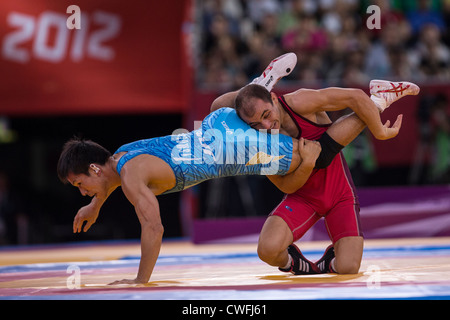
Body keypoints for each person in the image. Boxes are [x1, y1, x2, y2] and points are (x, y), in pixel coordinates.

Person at [57, 54, 404, 285]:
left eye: (79, 185)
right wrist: (95, 203)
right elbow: (109, 180)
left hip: (236, 151)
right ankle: (259, 85)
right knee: (219, 106)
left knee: (314, 155)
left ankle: (376, 102)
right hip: (214, 125)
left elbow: (154, 227)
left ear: (94, 168)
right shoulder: (121, 156)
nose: (82, 191)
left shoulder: (130, 175)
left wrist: (139, 281)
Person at [211, 52, 419, 275]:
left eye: (266, 114)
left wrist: (379, 131)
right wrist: (307, 164)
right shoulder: (258, 141)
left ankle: (378, 101)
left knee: (348, 266)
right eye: (256, 123)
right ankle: (294, 263)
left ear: (273, 98)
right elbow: (286, 187)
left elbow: (356, 97)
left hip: (338, 191)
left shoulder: (299, 101)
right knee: (267, 250)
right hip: (303, 196)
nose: (267, 124)